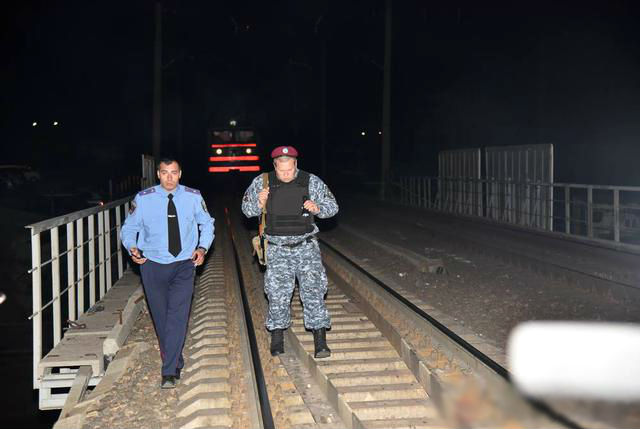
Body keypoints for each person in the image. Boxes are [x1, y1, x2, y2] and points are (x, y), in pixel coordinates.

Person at [121, 157, 215, 389]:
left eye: (174, 172)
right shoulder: (143, 199)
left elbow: (207, 223)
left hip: (184, 263)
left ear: (180, 173)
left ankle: (169, 371)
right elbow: (129, 228)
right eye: (165, 173)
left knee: (178, 316)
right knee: (161, 318)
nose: (170, 177)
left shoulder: (193, 196)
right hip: (152, 264)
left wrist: (202, 248)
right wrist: (131, 246)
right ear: (158, 174)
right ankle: (175, 357)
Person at [242, 146, 338, 358]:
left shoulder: (311, 181)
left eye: (290, 169)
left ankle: (320, 339)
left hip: (306, 246)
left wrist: (318, 208)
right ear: (275, 165)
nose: (286, 174)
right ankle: (277, 337)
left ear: (296, 164)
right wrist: (259, 202)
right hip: (277, 249)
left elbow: (333, 207)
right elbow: (246, 210)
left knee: (314, 291)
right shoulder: (263, 181)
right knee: (277, 294)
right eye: (281, 170)